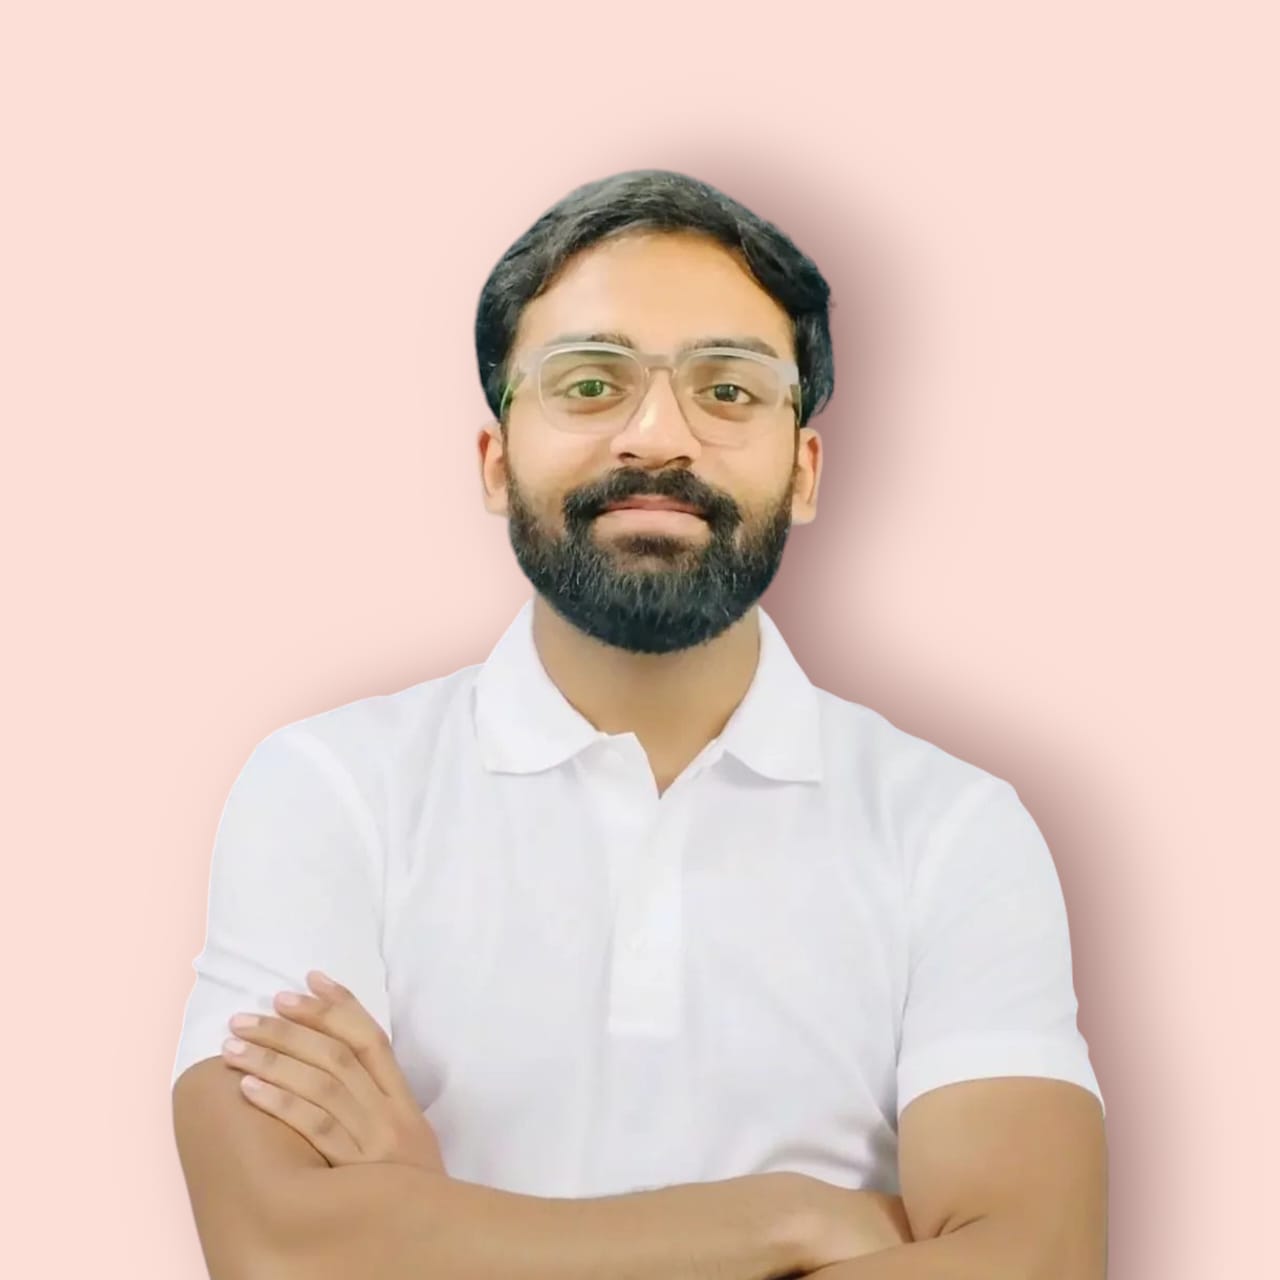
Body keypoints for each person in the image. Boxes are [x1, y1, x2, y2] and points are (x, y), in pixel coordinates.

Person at [171, 169, 1108, 1279]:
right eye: (587, 382)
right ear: (493, 459)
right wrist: (787, 1219)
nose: (654, 436)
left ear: (801, 468)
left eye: (725, 390)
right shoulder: (328, 788)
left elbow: (1031, 1262)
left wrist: (433, 1223)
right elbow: (279, 1252)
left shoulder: (952, 829)